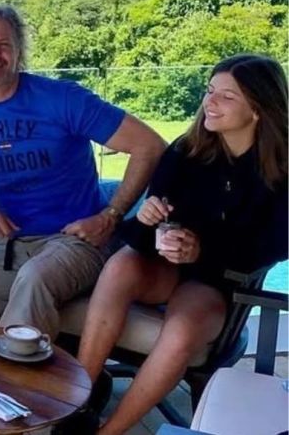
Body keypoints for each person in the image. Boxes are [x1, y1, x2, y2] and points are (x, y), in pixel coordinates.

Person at [76, 55, 288, 435]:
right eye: (210, 92)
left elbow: (273, 247)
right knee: (122, 264)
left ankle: (109, 432)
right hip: (166, 266)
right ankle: (78, 399)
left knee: (182, 329)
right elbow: (141, 235)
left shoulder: (280, 170)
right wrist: (149, 223)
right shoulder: (188, 150)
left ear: (258, 109)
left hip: (219, 282)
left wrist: (202, 250)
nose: (210, 102)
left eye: (226, 97)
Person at [0, 3, 166, 337]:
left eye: (3, 44)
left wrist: (111, 216)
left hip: (76, 238)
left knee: (33, 285)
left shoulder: (62, 99)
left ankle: (21, 387)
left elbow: (149, 145)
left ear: (18, 51)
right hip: (12, 243)